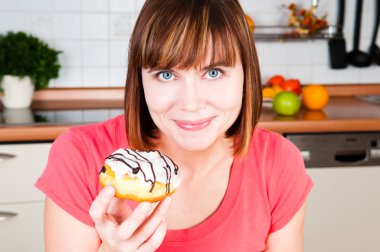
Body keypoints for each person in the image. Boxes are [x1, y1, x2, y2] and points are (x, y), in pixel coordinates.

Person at [35, 0, 313, 251]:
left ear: (246, 74)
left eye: (213, 72)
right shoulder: (81, 156)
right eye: (166, 74)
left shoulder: (278, 161)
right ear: (140, 79)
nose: (191, 103)